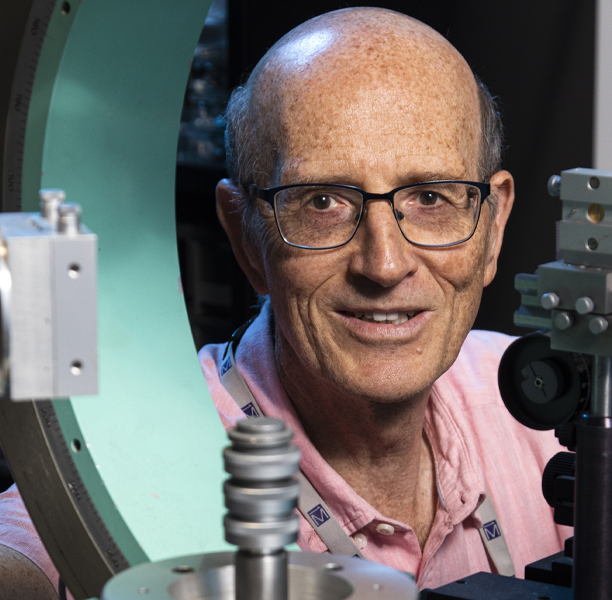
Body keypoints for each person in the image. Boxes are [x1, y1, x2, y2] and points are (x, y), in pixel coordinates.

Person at [0, 7, 570, 597]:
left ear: (493, 227)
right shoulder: (150, 446)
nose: (384, 264)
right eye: (322, 202)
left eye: (430, 197)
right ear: (246, 237)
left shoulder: (532, 406)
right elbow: (22, 554)